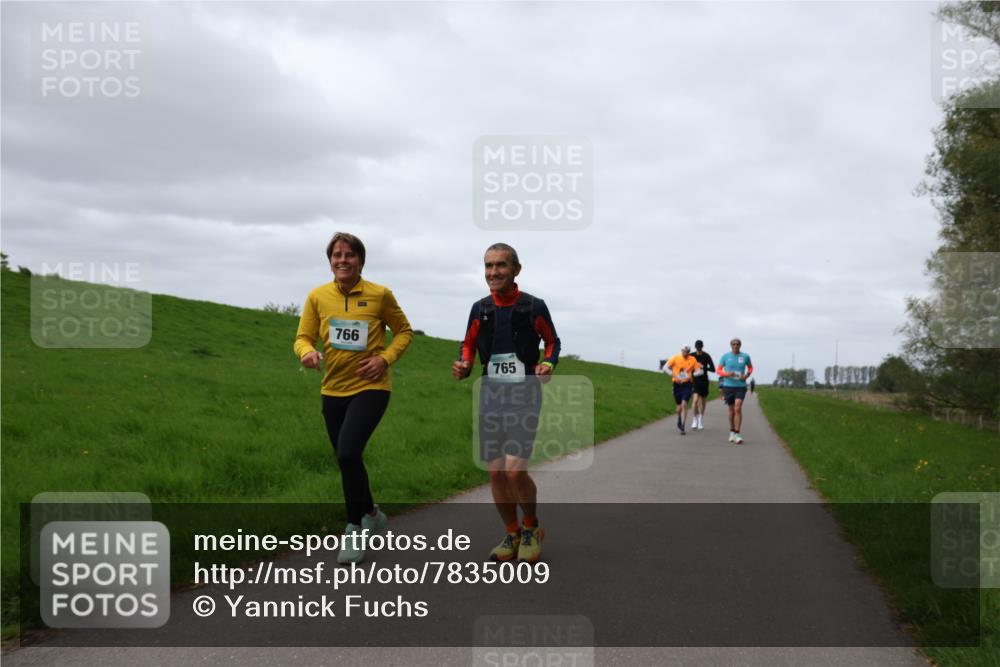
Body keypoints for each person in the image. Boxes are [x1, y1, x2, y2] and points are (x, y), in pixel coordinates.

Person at [294, 232, 413, 564]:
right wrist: (306, 353)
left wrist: (384, 359)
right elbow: (303, 337)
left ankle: (354, 527)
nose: (343, 260)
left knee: (347, 453)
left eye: (349, 255)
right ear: (330, 261)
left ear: (360, 260)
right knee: (348, 459)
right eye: (337, 255)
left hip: (371, 387)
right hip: (332, 389)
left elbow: (404, 331)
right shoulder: (317, 296)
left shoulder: (380, 294)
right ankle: (372, 513)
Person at [452, 243, 560, 564]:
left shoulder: (534, 306)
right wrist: (464, 364)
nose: (493, 272)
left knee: (514, 471)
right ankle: (512, 532)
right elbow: (468, 344)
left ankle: (531, 528)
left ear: (516, 269)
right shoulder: (480, 308)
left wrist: (548, 364)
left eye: (500, 265)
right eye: (488, 265)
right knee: (496, 472)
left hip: (524, 394)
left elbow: (552, 341)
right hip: (491, 395)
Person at [717, 338, 754, 444]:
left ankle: (737, 434)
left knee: (737, 408)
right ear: (731, 345)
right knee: (731, 411)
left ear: (740, 345)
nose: (735, 346)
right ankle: (732, 431)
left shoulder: (745, 356)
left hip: (741, 386)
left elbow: (750, 368)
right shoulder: (725, 356)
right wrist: (727, 374)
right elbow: (718, 370)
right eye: (733, 344)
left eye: (737, 344)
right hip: (728, 386)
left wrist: (746, 375)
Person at [664, 346, 702, 435]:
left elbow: (699, 371)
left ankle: (683, 426)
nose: (686, 353)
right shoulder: (675, 358)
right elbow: (665, 368)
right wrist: (674, 376)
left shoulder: (693, 359)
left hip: (687, 384)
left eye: (687, 351)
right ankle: (679, 419)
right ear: (681, 351)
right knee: (679, 407)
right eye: (684, 351)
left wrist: (692, 375)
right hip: (677, 384)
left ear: (689, 352)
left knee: (684, 404)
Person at [690, 340, 715, 430]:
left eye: (700, 346)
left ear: (702, 346)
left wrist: (703, 367)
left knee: (703, 401)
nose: (698, 348)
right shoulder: (691, 356)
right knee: (695, 400)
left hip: (704, 380)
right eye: (697, 346)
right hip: (695, 380)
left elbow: (713, 369)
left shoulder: (706, 356)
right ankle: (694, 419)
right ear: (695, 347)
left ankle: (700, 419)